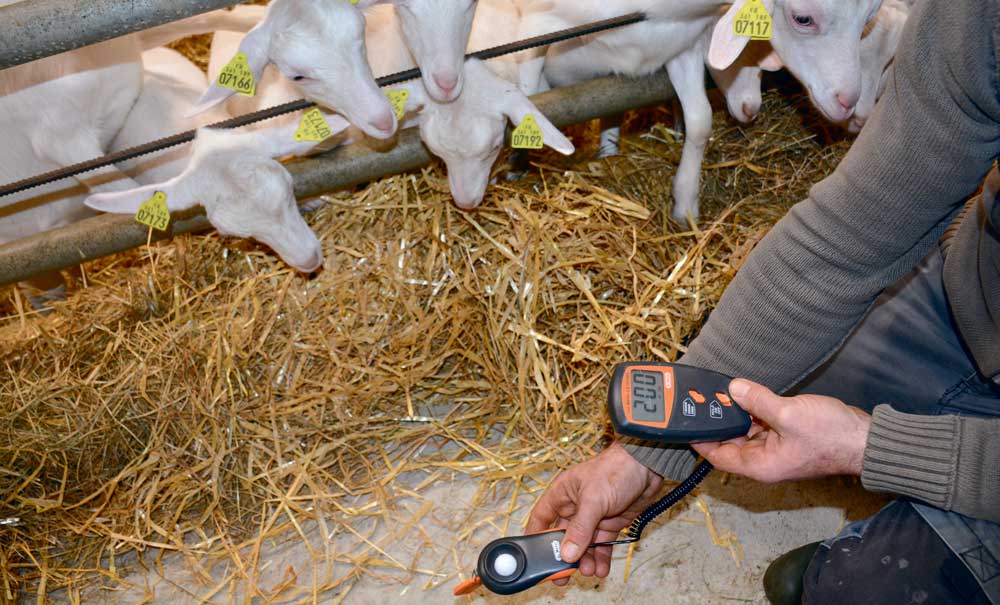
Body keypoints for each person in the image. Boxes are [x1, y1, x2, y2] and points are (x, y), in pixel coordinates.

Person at [526, 0, 1000, 602]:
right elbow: (849, 237)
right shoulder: (979, 18)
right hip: (980, 304)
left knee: (849, 591)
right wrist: (648, 455)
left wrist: (871, 446)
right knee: (760, 358)